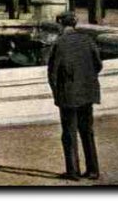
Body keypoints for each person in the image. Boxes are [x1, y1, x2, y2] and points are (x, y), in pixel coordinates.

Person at [48, 11, 102, 181]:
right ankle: (93, 170)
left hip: (69, 95)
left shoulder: (59, 43)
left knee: (69, 134)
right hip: (87, 93)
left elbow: (53, 74)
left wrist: (57, 94)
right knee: (87, 132)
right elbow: (98, 65)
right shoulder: (87, 39)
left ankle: (73, 171)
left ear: (61, 25)